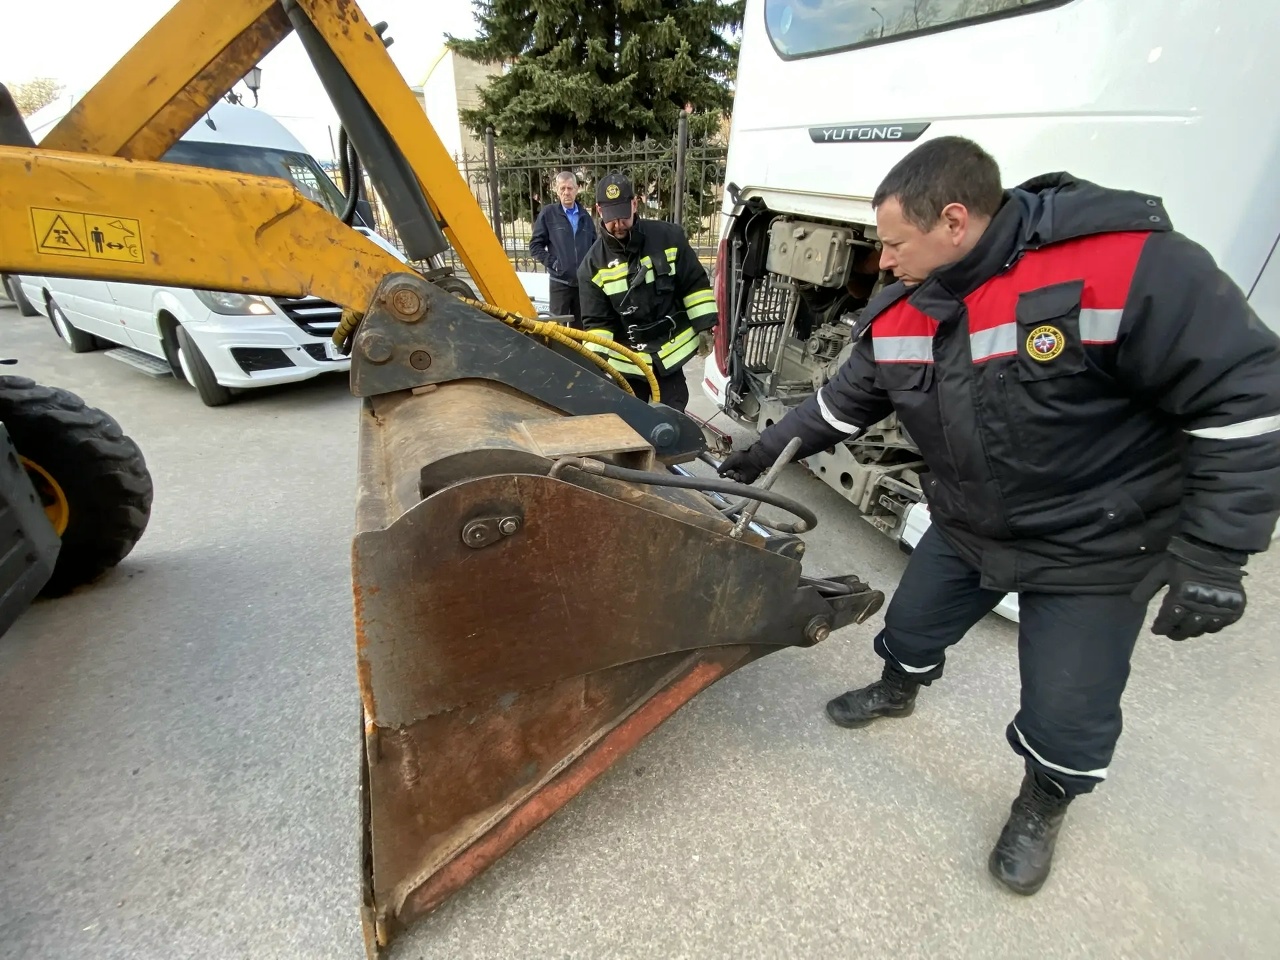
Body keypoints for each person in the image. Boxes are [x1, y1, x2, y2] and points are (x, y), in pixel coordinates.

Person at [718, 136, 1280, 896]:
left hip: (1096, 546)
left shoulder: (1124, 267)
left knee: (1067, 711)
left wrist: (1216, 553)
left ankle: (1043, 801)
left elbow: (1247, 397)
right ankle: (897, 688)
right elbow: (841, 401)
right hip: (967, 525)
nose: (882, 262)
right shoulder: (909, 305)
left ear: (954, 221)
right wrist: (767, 449)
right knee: (910, 626)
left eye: (893, 243)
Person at [576, 172, 717, 412]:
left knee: (673, 418)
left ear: (634, 204)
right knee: (630, 423)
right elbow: (598, 325)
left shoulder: (669, 238)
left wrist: (705, 326)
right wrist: (595, 367)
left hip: (669, 353)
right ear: (599, 210)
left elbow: (694, 284)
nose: (618, 224)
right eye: (611, 218)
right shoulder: (591, 267)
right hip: (628, 363)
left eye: (623, 216)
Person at [529, 171, 596, 326]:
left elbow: (595, 247)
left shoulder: (585, 217)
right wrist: (554, 263)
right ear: (557, 190)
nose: (566, 192)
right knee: (557, 329)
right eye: (563, 188)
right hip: (559, 284)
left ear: (577, 189)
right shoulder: (549, 214)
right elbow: (535, 246)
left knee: (579, 330)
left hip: (581, 286)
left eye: (570, 188)